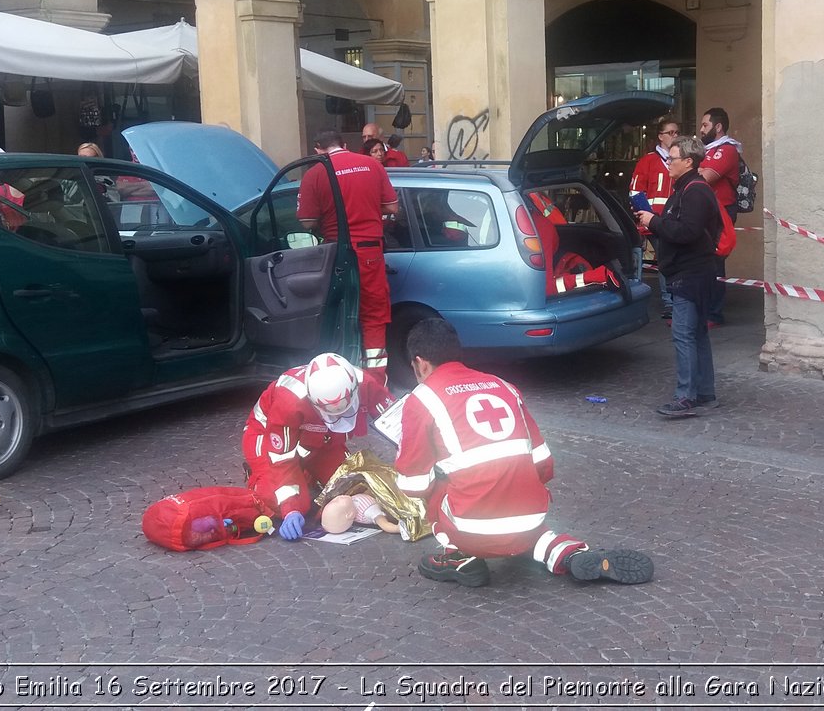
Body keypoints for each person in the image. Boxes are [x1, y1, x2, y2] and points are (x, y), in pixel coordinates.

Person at [393, 318, 654, 587]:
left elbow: (414, 484)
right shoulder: (503, 386)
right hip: (528, 517)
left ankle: (459, 558)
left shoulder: (422, 398)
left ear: (420, 363)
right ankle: (569, 553)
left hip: (471, 527)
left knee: (439, 484)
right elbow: (543, 463)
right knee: (528, 532)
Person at [241, 352, 394, 539]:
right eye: (332, 413)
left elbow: (396, 421)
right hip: (267, 439)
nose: (338, 417)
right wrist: (290, 509)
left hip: (320, 440)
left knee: (353, 483)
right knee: (291, 503)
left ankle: (306, 473)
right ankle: (259, 479)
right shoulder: (290, 402)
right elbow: (281, 458)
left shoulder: (366, 384)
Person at [298, 129, 399, 385]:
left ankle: (343, 378)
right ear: (345, 144)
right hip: (370, 253)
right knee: (374, 315)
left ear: (317, 149)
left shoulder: (314, 173)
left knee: (338, 314)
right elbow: (392, 207)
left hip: (336, 254)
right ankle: (376, 382)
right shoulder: (370, 165)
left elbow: (307, 221)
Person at [635, 136, 722, 418]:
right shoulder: (685, 189)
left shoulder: (695, 191)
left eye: (672, 159)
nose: (668, 163)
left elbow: (687, 232)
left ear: (688, 161)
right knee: (696, 334)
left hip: (691, 273)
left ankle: (686, 397)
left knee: (684, 335)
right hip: (691, 272)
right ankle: (705, 393)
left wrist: (654, 221)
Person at [630, 118, 681, 320]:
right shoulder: (648, 161)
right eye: (671, 133)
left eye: (677, 132)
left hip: (676, 219)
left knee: (672, 259)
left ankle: (675, 299)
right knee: (666, 259)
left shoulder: (680, 160)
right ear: (660, 137)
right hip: (655, 222)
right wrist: (646, 217)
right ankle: (669, 301)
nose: (675, 136)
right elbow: (635, 192)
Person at [526, 191, 624, 295]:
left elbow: (542, 287)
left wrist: (597, 277)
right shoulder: (539, 225)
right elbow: (543, 289)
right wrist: (598, 277)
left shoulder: (538, 227)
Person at [697, 108, 742, 327]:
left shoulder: (726, 150)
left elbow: (704, 178)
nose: (701, 129)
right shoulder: (707, 151)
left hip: (720, 213)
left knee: (715, 262)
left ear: (718, 127)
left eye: (705, 125)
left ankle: (713, 313)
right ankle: (705, 309)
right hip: (707, 212)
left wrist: (694, 169)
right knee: (704, 262)